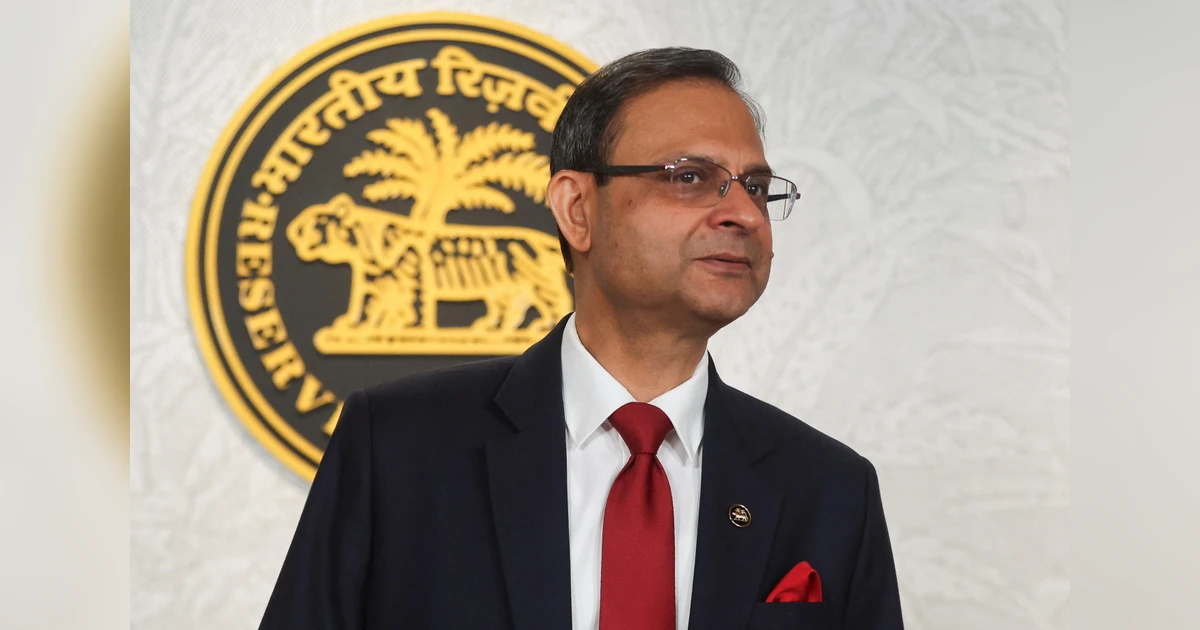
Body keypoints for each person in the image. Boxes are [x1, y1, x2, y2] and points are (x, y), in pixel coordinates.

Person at [260, 47, 903, 630]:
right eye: (689, 177)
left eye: (755, 188)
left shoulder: (831, 490)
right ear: (577, 209)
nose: (741, 213)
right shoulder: (397, 447)